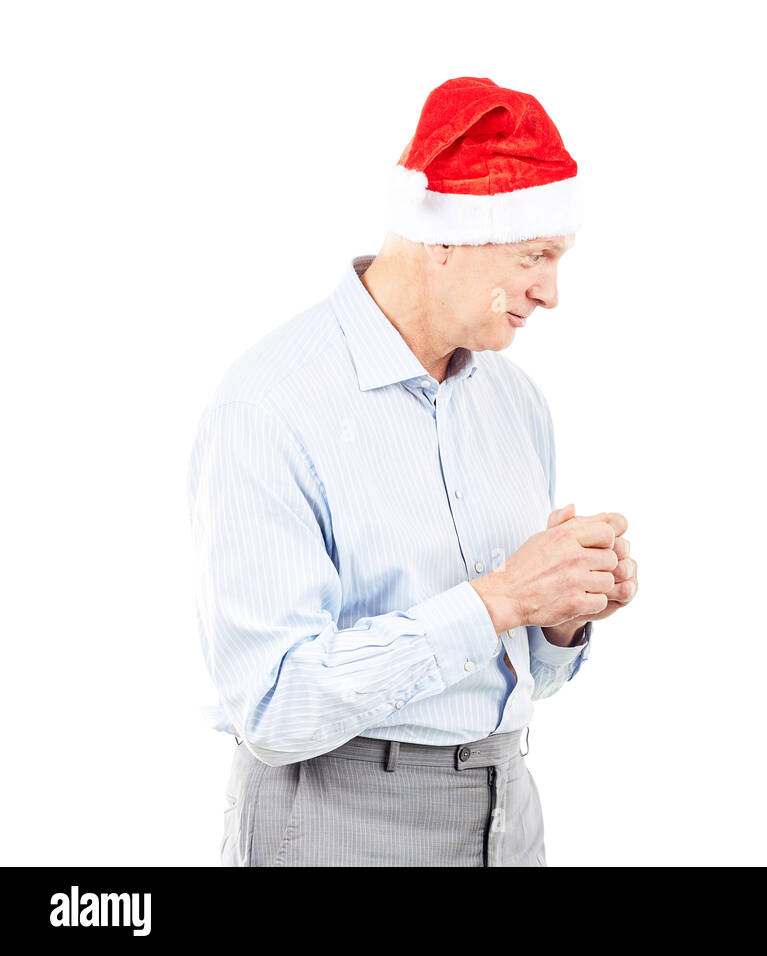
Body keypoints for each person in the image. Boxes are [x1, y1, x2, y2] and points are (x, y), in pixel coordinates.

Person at [187, 77, 638, 866]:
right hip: (336, 818)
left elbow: (520, 675)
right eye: (534, 254)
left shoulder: (516, 402)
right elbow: (272, 706)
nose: (552, 293)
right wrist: (499, 599)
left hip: (506, 807)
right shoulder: (271, 406)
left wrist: (561, 616)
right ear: (441, 240)